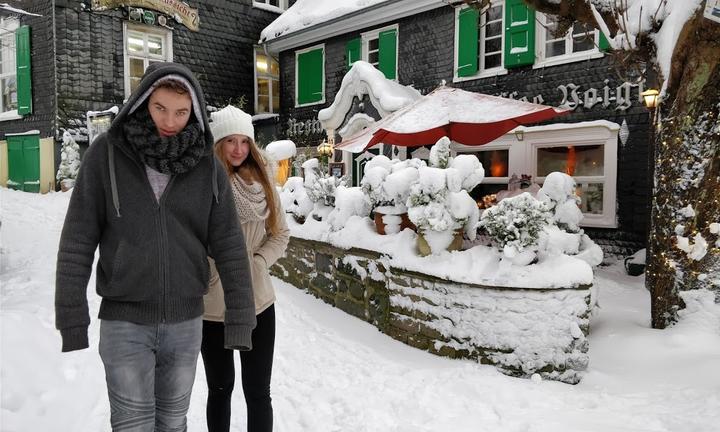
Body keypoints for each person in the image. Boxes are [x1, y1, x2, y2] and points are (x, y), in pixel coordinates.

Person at [54, 62, 256, 432]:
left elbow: (229, 246)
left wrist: (241, 319)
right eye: (160, 107)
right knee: (133, 425)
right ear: (143, 101)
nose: (170, 120)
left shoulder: (207, 167)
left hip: (185, 324)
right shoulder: (106, 155)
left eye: (181, 112)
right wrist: (71, 318)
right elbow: (77, 239)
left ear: (193, 111)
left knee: (173, 423)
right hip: (124, 323)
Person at [202, 105, 290, 432]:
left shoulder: (264, 182)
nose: (238, 149)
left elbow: (280, 233)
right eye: (230, 141)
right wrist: (209, 270)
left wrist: (258, 262)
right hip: (213, 306)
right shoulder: (203, 184)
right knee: (220, 389)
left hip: (258, 302)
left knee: (257, 391)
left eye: (244, 141)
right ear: (218, 144)